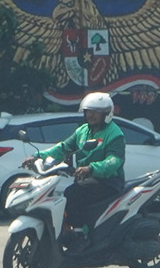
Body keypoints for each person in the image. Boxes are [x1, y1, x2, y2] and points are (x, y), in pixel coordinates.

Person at [21, 92, 126, 234]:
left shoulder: (114, 133)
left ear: (106, 114)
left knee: (72, 193)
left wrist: (90, 168)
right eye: (89, 111)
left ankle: (78, 231)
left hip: (109, 181)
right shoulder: (82, 131)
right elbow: (63, 148)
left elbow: (114, 161)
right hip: (86, 178)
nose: (91, 115)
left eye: (96, 112)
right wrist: (37, 156)